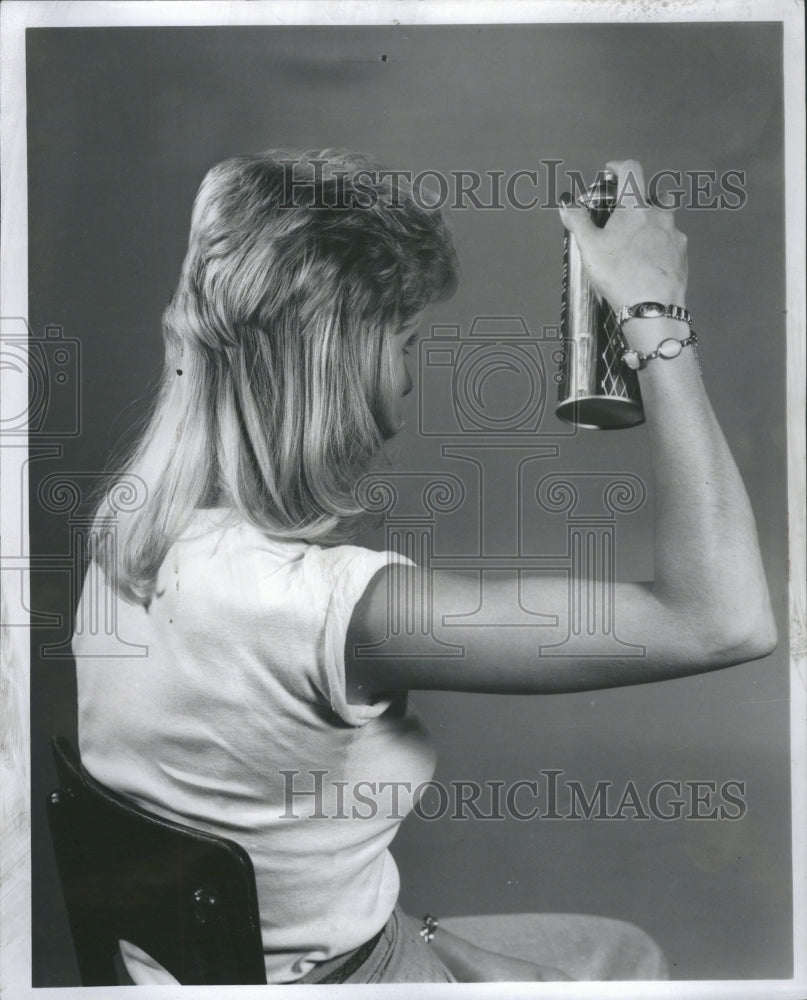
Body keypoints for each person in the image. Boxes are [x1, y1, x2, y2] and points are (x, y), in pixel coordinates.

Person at [73, 149, 777, 984]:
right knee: (625, 957)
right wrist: (653, 318)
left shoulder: (128, 531)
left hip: (189, 972)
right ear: (330, 362)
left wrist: (437, 947)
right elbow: (723, 620)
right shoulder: (338, 614)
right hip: (335, 981)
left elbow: (276, 859)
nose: (409, 379)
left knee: (584, 957)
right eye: (402, 343)